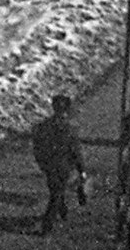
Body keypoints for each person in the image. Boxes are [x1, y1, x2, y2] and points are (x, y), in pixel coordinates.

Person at [29, 94, 87, 235]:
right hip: (64, 167)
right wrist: (82, 170)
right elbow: (76, 152)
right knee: (56, 195)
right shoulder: (70, 129)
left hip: (49, 166)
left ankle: (63, 212)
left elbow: (37, 147)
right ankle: (46, 227)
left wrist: (42, 163)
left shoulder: (43, 126)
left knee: (56, 191)